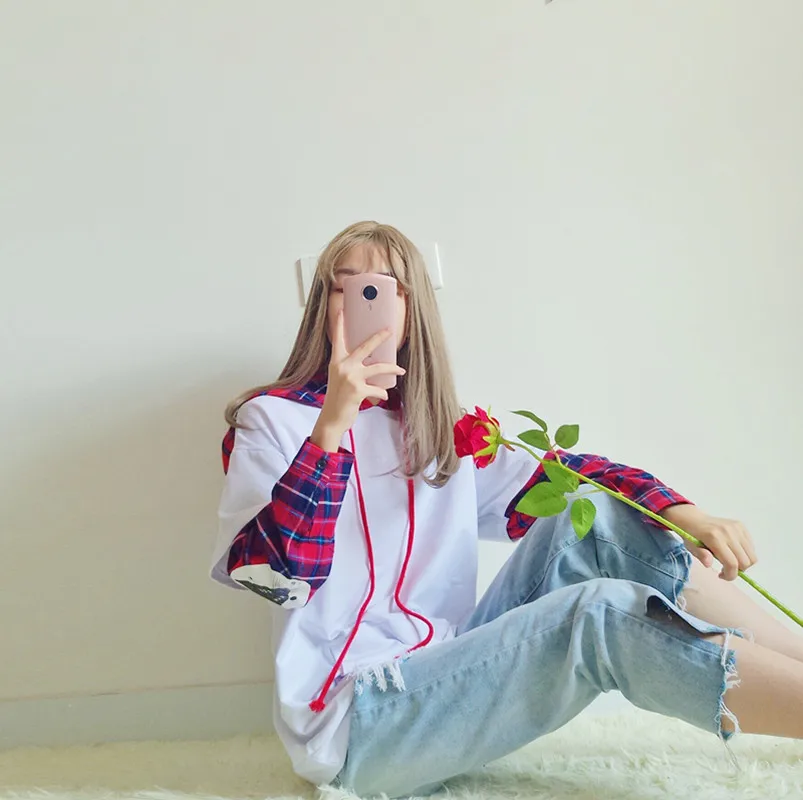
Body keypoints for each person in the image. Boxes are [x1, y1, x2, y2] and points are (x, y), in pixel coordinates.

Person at [210, 221, 803, 798]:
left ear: (413, 311)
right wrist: (332, 425)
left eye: (384, 290)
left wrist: (680, 511)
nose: (364, 304)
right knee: (598, 615)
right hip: (358, 728)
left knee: (593, 515)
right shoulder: (272, 421)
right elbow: (279, 577)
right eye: (346, 287)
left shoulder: (439, 433)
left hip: (458, 677)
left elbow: (567, 482)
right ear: (323, 304)